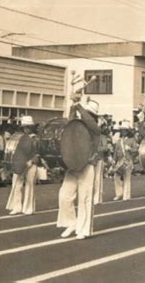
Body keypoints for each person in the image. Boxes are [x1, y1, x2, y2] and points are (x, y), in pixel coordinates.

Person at [57, 97, 100, 240]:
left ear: (92, 117)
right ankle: (71, 223)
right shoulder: (77, 127)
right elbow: (69, 123)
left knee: (85, 199)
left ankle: (84, 229)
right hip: (73, 166)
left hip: (87, 166)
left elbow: (89, 121)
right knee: (64, 196)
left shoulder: (95, 129)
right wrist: (73, 107)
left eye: (88, 114)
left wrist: (80, 107)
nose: (84, 116)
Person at [5, 116, 39, 215]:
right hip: (20, 164)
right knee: (16, 185)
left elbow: (38, 154)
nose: (25, 129)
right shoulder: (20, 138)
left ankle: (28, 208)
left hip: (31, 164)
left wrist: (31, 161)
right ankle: (17, 207)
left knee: (30, 185)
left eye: (27, 127)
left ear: (30, 127)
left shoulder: (35, 138)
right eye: (24, 127)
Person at [113, 120, 138, 201]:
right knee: (116, 177)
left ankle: (126, 195)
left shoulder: (132, 140)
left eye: (125, 130)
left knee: (127, 178)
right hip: (119, 161)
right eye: (122, 130)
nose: (123, 132)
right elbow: (116, 151)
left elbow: (136, 150)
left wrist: (130, 149)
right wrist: (114, 160)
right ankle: (119, 193)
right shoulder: (119, 141)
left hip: (128, 161)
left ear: (127, 131)